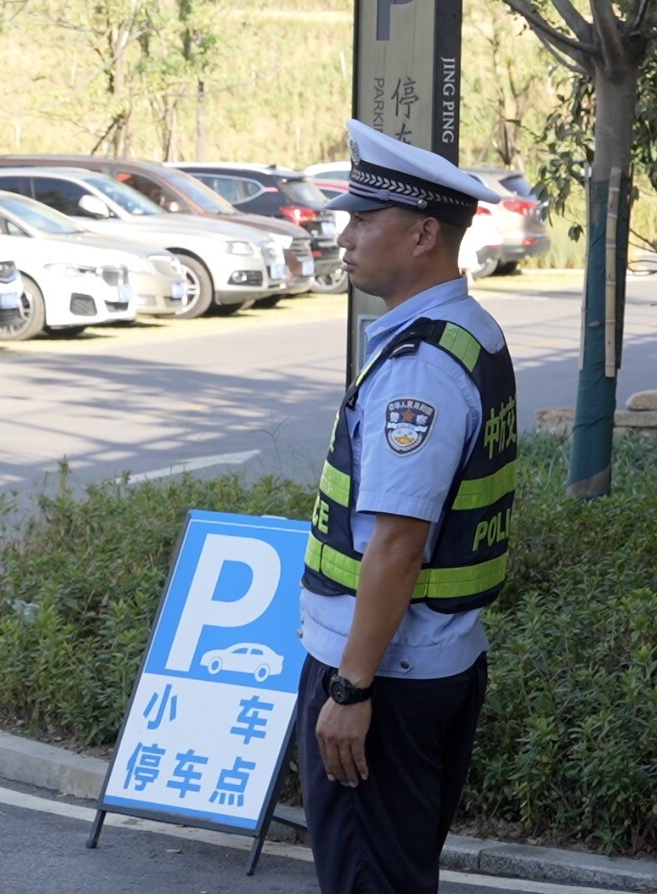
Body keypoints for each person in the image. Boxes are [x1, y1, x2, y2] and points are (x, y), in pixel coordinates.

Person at [297, 119, 517, 893]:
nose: (346, 234)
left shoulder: (419, 367)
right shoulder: (469, 331)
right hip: (437, 662)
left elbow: (394, 546)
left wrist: (349, 691)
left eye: (364, 219)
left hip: (384, 678)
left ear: (424, 234)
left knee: (370, 880)